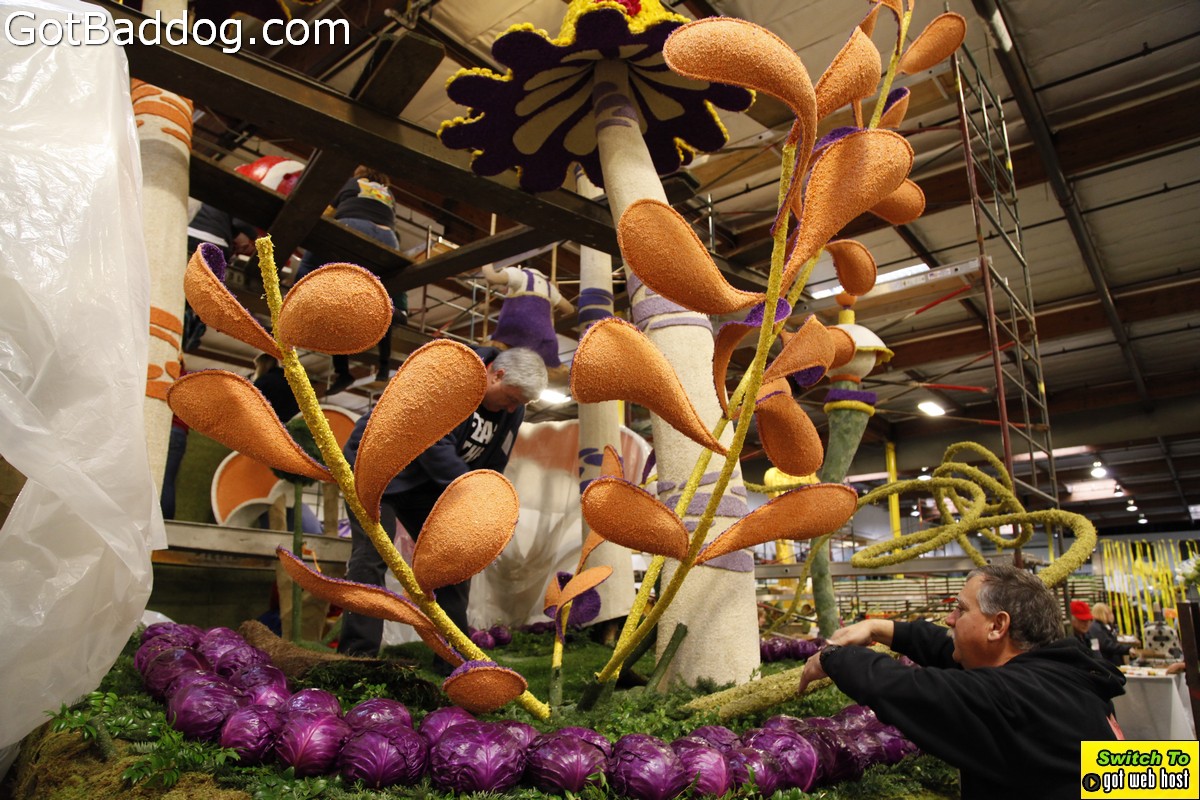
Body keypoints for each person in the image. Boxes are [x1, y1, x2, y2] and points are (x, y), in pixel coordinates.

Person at [796, 564, 1126, 799]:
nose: (949, 619)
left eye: (961, 610)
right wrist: (881, 628)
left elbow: (909, 689)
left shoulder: (1017, 698)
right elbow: (950, 650)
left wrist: (833, 657)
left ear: (997, 626)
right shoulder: (1062, 675)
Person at [336, 346, 547, 662]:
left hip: (424, 481)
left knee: (455, 558)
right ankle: (357, 656)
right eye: (511, 398)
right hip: (379, 462)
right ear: (496, 374)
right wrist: (470, 492)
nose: (511, 408)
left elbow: (496, 459)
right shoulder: (455, 377)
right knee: (373, 555)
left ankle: (452, 657)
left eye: (519, 404)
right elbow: (434, 446)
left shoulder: (512, 411)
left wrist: (486, 498)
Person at [291, 166, 408, 391]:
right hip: (388, 237)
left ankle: (297, 292)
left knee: (312, 259)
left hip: (353, 225)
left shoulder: (352, 183)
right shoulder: (388, 193)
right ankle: (394, 310)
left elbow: (328, 210)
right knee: (379, 290)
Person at [252, 353, 300, 423]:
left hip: (270, 420)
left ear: (261, 365)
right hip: (291, 420)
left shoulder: (263, 380)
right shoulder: (289, 379)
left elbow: (253, 401)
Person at [1088, 601, 1136, 667]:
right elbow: (1107, 645)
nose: (1112, 615)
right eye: (1109, 613)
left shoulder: (1103, 626)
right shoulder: (1096, 628)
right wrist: (1127, 649)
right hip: (1108, 663)